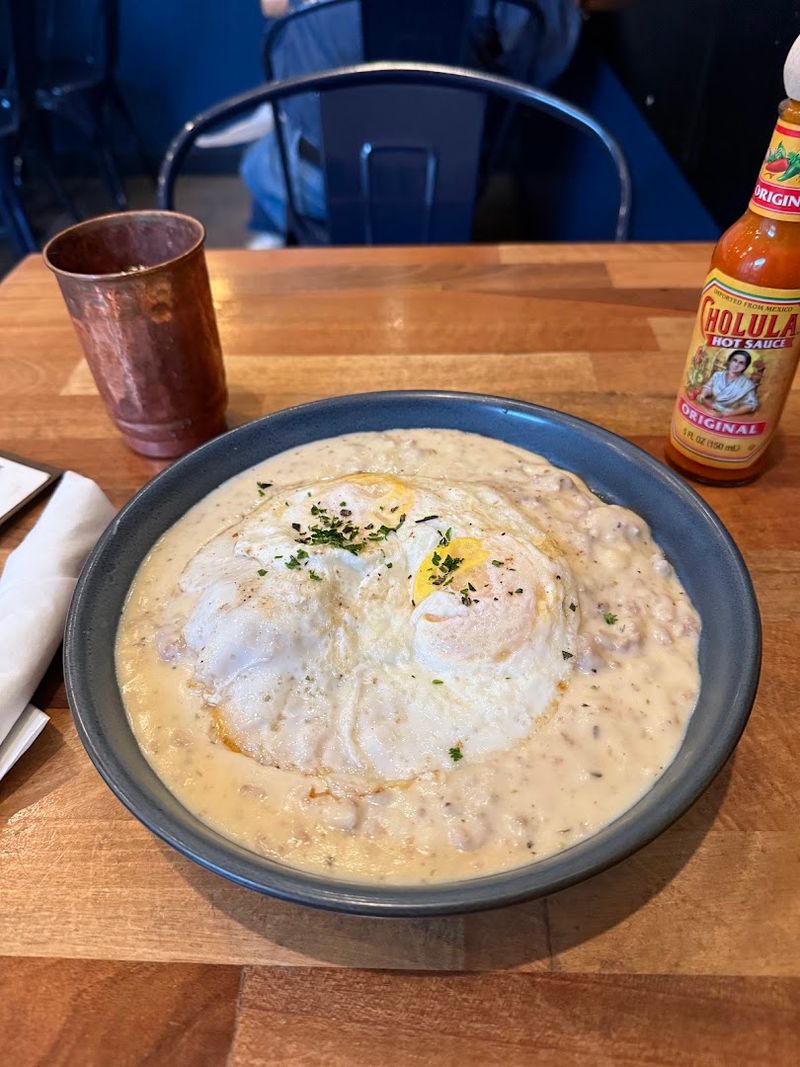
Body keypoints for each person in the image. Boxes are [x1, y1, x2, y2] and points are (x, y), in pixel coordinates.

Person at [241, 0, 583, 247]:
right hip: (450, 182)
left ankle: (274, 240)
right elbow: (542, 64)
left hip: (323, 180)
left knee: (263, 156)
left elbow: (272, 9)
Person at [696, 350, 759, 417]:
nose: (736, 365)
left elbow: (751, 405)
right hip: (710, 407)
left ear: (745, 367)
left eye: (741, 363)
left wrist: (724, 414)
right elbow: (709, 387)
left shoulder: (747, 385)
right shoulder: (718, 375)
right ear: (729, 361)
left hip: (730, 416)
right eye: (734, 360)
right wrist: (703, 395)